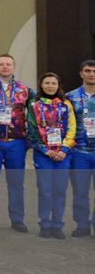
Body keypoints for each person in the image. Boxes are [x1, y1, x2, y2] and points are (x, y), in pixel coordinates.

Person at [0, 54, 30, 232]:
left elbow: (33, 115)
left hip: (16, 142)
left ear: (13, 67)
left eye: (8, 64)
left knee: (16, 183)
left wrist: (29, 139)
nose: (5, 67)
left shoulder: (25, 89)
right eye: (1, 64)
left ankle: (17, 219)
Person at [27, 73, 75, 239]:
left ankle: (57, 225)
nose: (49, 86)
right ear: (41, 85)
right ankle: (45, 224)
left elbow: (71, 128)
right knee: (45, 191)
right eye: (46, 83)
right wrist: (45, 150)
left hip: (63, 155)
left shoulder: (66, 104)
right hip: (43, 155)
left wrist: (64, 149)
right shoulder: (34, 104)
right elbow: (32, 131)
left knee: (60, 191)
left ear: (58, 85)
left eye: (53, 83)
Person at [68, 60, 95, 238]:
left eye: (94, 71)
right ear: (81, 73)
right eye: (88, 71)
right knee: (80, 191)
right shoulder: (70, 97)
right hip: (80, 152)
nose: (92, 74)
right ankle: (82, 224)